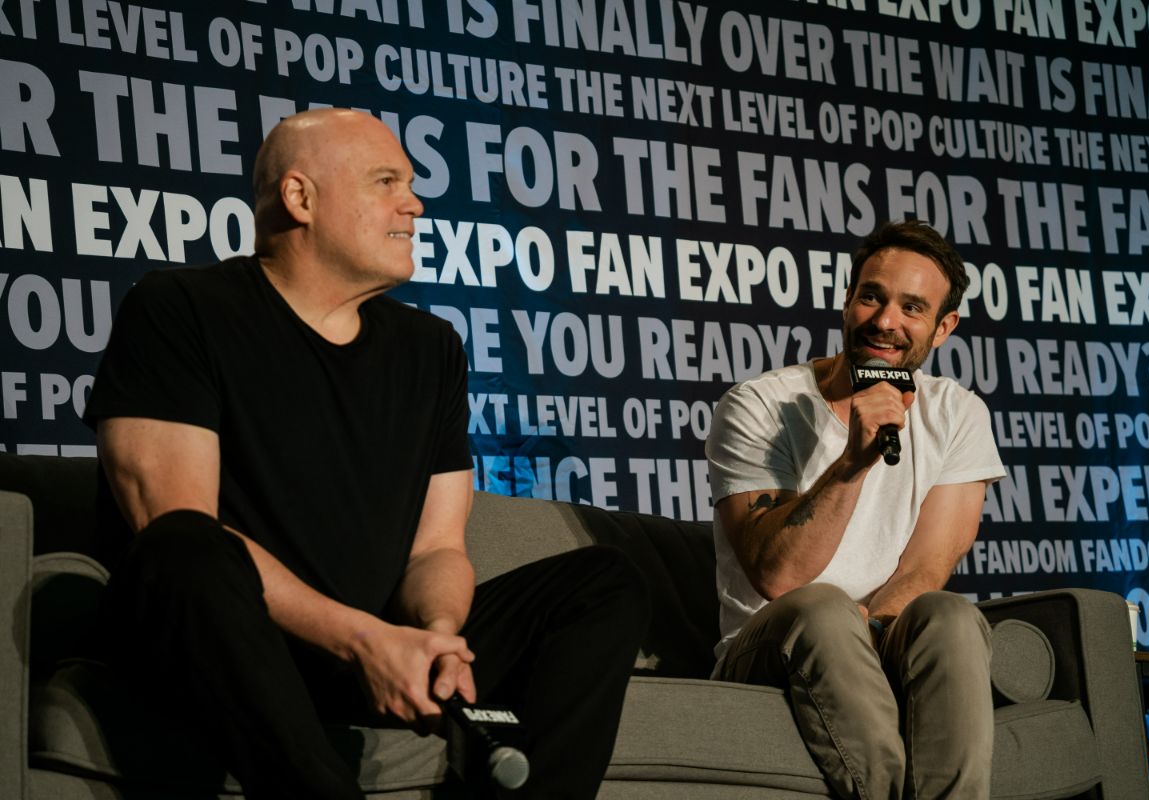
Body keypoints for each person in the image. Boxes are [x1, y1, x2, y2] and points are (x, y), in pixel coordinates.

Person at [84, 108, 648, 800]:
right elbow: (174, 523)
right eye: (387, 182)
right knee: (184, 549)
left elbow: (436, 549)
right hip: (227, 647)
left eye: (409, 184)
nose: (414, 203)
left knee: (601, 583)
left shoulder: (430, 348)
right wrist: (361, 640)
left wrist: (436, 638)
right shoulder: (178, 307)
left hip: (367, 648)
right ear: (301, 198)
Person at [705, 220, 1006, 799]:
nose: (885, 321)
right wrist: (851, 464)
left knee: (949, 614)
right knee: (821, 607)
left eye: (912, 308)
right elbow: (779, 577)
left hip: (876, 634)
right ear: (847, 301)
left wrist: (871, 641)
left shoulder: (959, 414)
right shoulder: (758, 407)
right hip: (772, 645)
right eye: (872, 296)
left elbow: (925, 567)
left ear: (944, 327)